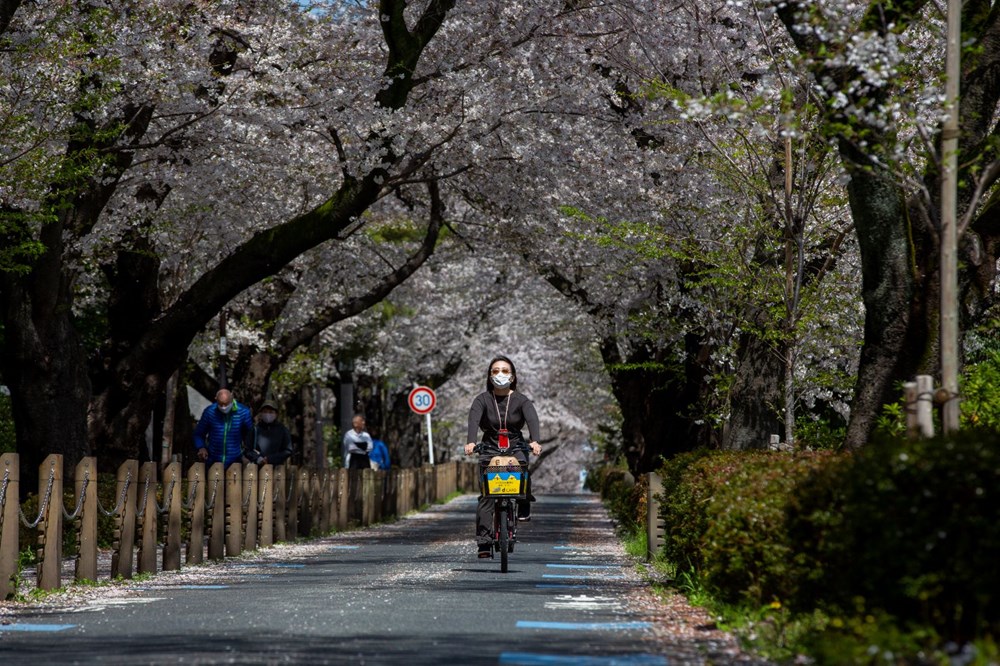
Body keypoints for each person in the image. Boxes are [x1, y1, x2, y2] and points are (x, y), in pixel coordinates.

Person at [464, 355, 542, 558]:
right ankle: (484, 542)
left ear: (513, 376)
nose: (500, 374)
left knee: (522, 466)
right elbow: (473, 420)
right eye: (495, 371)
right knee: (487, 495)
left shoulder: (521, 400)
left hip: (515, 444)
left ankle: (523, 502)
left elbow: (532, 419)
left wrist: (535, 441)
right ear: (490, 376)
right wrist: (471, 442)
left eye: (505, 371)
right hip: (489, 446)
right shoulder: (482, 399)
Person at [193, 388, 254, 468]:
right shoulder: (209, 412)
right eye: (220, 404)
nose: (223, 407)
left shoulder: (243, 412)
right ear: (216, 400)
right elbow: (199, 434)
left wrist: (246, 454)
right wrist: (201, 447)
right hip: (213, 461)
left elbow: (250, 435)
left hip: (236, 461)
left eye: (226, 404)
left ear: (232, 398)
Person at [244, 399, 293, 466]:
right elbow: (247, 450)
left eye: (271, 412)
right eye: (265, 412)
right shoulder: (255, 429)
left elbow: (288, 450)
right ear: (261, 413)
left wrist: (270, 459)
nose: (268, 414)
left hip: (278, 470)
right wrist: (258, 458)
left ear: (276, 414)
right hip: (256, 469)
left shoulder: (282, 430)